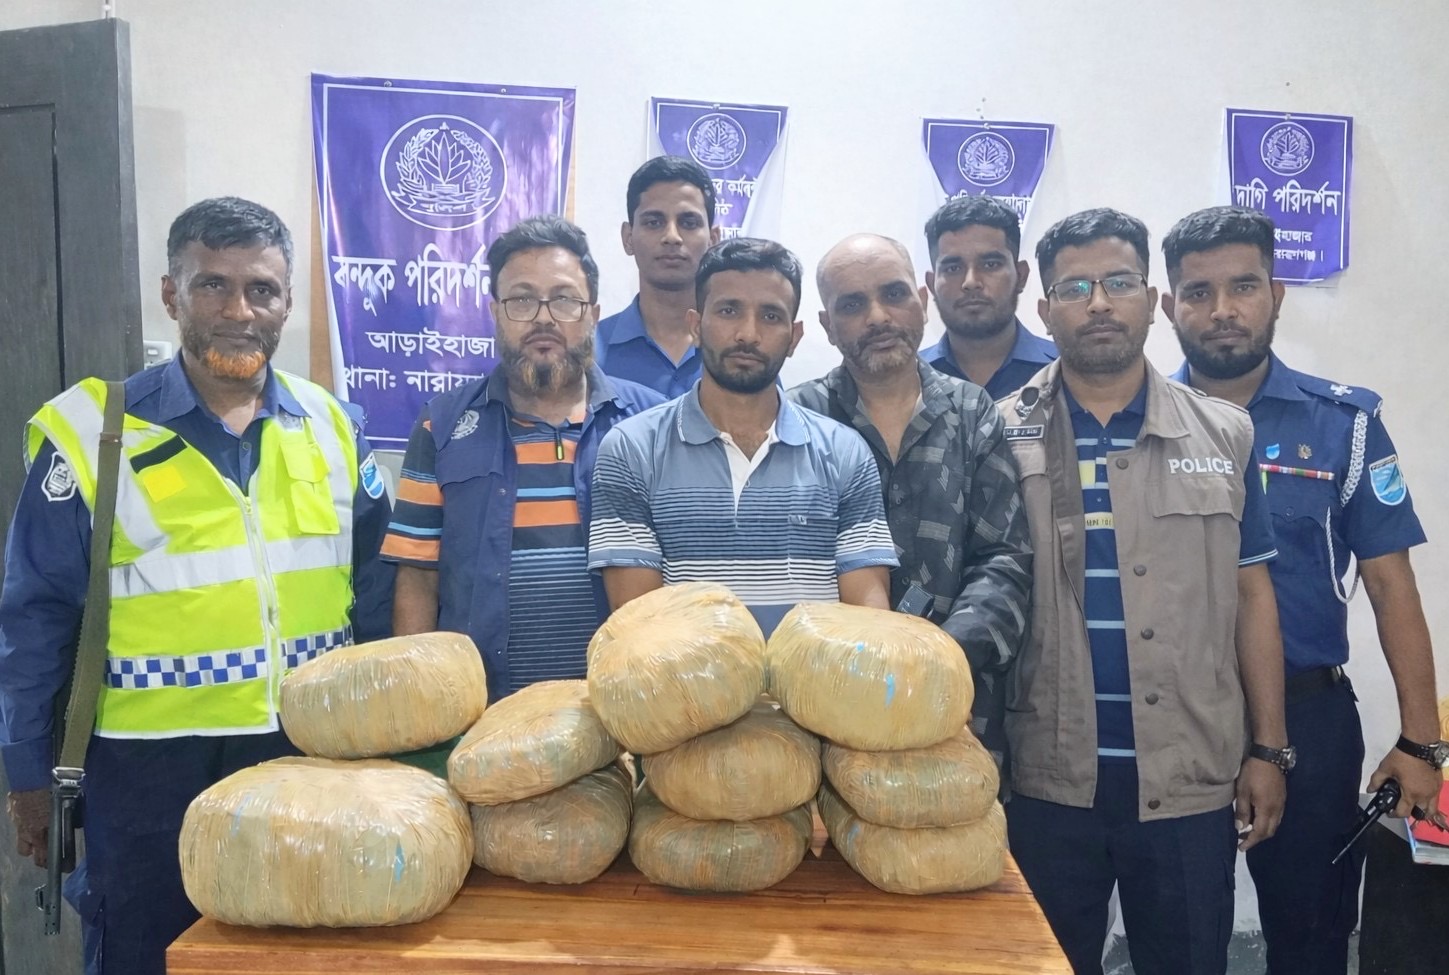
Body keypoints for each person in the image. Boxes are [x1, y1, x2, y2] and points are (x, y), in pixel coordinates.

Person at [0, 196, 394, 975]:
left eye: (261, 290)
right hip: (146, 776)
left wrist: (387, 744)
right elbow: (36, 618)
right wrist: (28, 776)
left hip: (304, 756)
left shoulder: (334, 425)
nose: (239, 311)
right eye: (213, 285)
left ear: (286, 302)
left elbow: (379, 596)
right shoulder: (94, 432)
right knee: (147, 958)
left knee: (299, 958)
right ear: (171, 294)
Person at [995, 208, 1289, 975]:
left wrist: (1268, 748)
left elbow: (1252, 595)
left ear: (1151, 299)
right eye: (1075, 287)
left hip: (1187, 775)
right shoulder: (995, 434)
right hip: (1046, 776)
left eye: (1118, 282)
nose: (1098, 302)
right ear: (1043, 307)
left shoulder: (1223, 434)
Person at [1162, 205, 1444, 975]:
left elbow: (1390, 586)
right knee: (1176, 938)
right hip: (1175, 720)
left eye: (1242, 286)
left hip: (1309, 720)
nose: (1221, 309)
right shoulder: (1139, 426)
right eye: (1197, 292)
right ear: (1169, 305)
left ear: (1276, 293)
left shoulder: (1342, 423)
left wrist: (1421, 742)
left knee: (1311, 937)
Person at [385, 215, 662, 700]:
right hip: (484, 706)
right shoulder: (442, 425)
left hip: (621, 704)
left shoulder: (650, 422)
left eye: (564, 299)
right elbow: (417, 575)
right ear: (495, 312)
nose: (543, 318)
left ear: (593, 314)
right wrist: (419, 698)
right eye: (522, 299)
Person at [788, 233, 1032, 761]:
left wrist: (938, 662)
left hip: (958, 714)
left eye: (894, 294)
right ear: (827, 326)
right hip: (825, 720)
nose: (878, 317)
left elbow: (1004, 559)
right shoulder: (797, 420)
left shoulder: (972, 412)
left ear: (922, 301)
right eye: (852, 305)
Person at [589, 237, 897, 633]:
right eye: (729, 310)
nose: (748, 334)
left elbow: (870, 626)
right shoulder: (632, 450)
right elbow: (639, 631)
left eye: (770, 316)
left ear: (794, 337)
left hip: (815, 678)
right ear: (696, 326)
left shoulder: (845, 452)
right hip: (683, 678)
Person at [595, 155, 720, 398]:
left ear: (713, 240)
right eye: (654, 222)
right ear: (628, 238)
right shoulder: (588, 353)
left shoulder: (738, 351)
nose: (672, 237)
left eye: (689, 223)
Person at [921, 195, 1057, 399]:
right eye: (953, 268)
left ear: (1021, 276)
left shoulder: (1065, 372)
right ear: (932, 284)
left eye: (990, 264)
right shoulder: (909, 379)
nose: (971, 282)